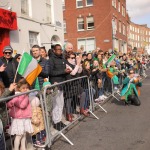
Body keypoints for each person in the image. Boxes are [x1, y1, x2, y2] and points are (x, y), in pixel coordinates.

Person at [7, 79, 33, 150]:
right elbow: (22, 105)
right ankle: (15, 148)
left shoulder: (23, 95)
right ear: (19, 88)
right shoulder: (20, 96)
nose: (25, 89)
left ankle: (23, 147)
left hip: (25, 117)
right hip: (19, 118)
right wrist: (26, 96)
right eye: (23, 88)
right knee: (19, 135)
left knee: (24, 134)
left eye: (26, 88)